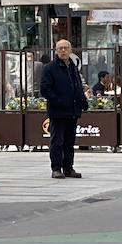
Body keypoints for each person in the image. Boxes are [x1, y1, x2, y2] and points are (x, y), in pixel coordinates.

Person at [40, 39, 89, 179]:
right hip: (58, 111)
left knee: (69, 141)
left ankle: (68, 168)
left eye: (65, 48)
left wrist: (83, 102)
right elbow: (45, 89)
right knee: (57, 141)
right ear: (56, 51)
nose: (63, 50)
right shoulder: (49, 68)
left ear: (70, 50)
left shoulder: (72, 67)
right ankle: (56, 168)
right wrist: (59, 101)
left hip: (72, 111)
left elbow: (78, 86)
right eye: (60, 48)